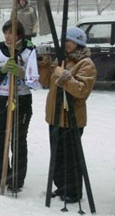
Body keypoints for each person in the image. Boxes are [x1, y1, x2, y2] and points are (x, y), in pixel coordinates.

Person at [38, 26, 96, 203]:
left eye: (69, 41)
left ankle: (73, 190)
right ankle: (61, 186)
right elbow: (45, 82)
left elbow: (81, 90)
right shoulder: (61, 60)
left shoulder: (86, 64)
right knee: (57, 154)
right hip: (55, 115)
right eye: (64, 41)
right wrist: (46, 65)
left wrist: (63, 74)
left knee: (71, 156)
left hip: (72, 118)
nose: (66, 44)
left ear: (78, 43)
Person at [0, 19, 40, 191]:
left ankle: (17, 179)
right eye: (6, 33)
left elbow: (36, 82)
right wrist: (2, 71)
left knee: (17, 140)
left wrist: (22, 72)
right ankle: (1, 174)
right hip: (2, 98)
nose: (8, 36)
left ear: (20, 34)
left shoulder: (29, 52)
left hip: (21, 99)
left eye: (11, 33)